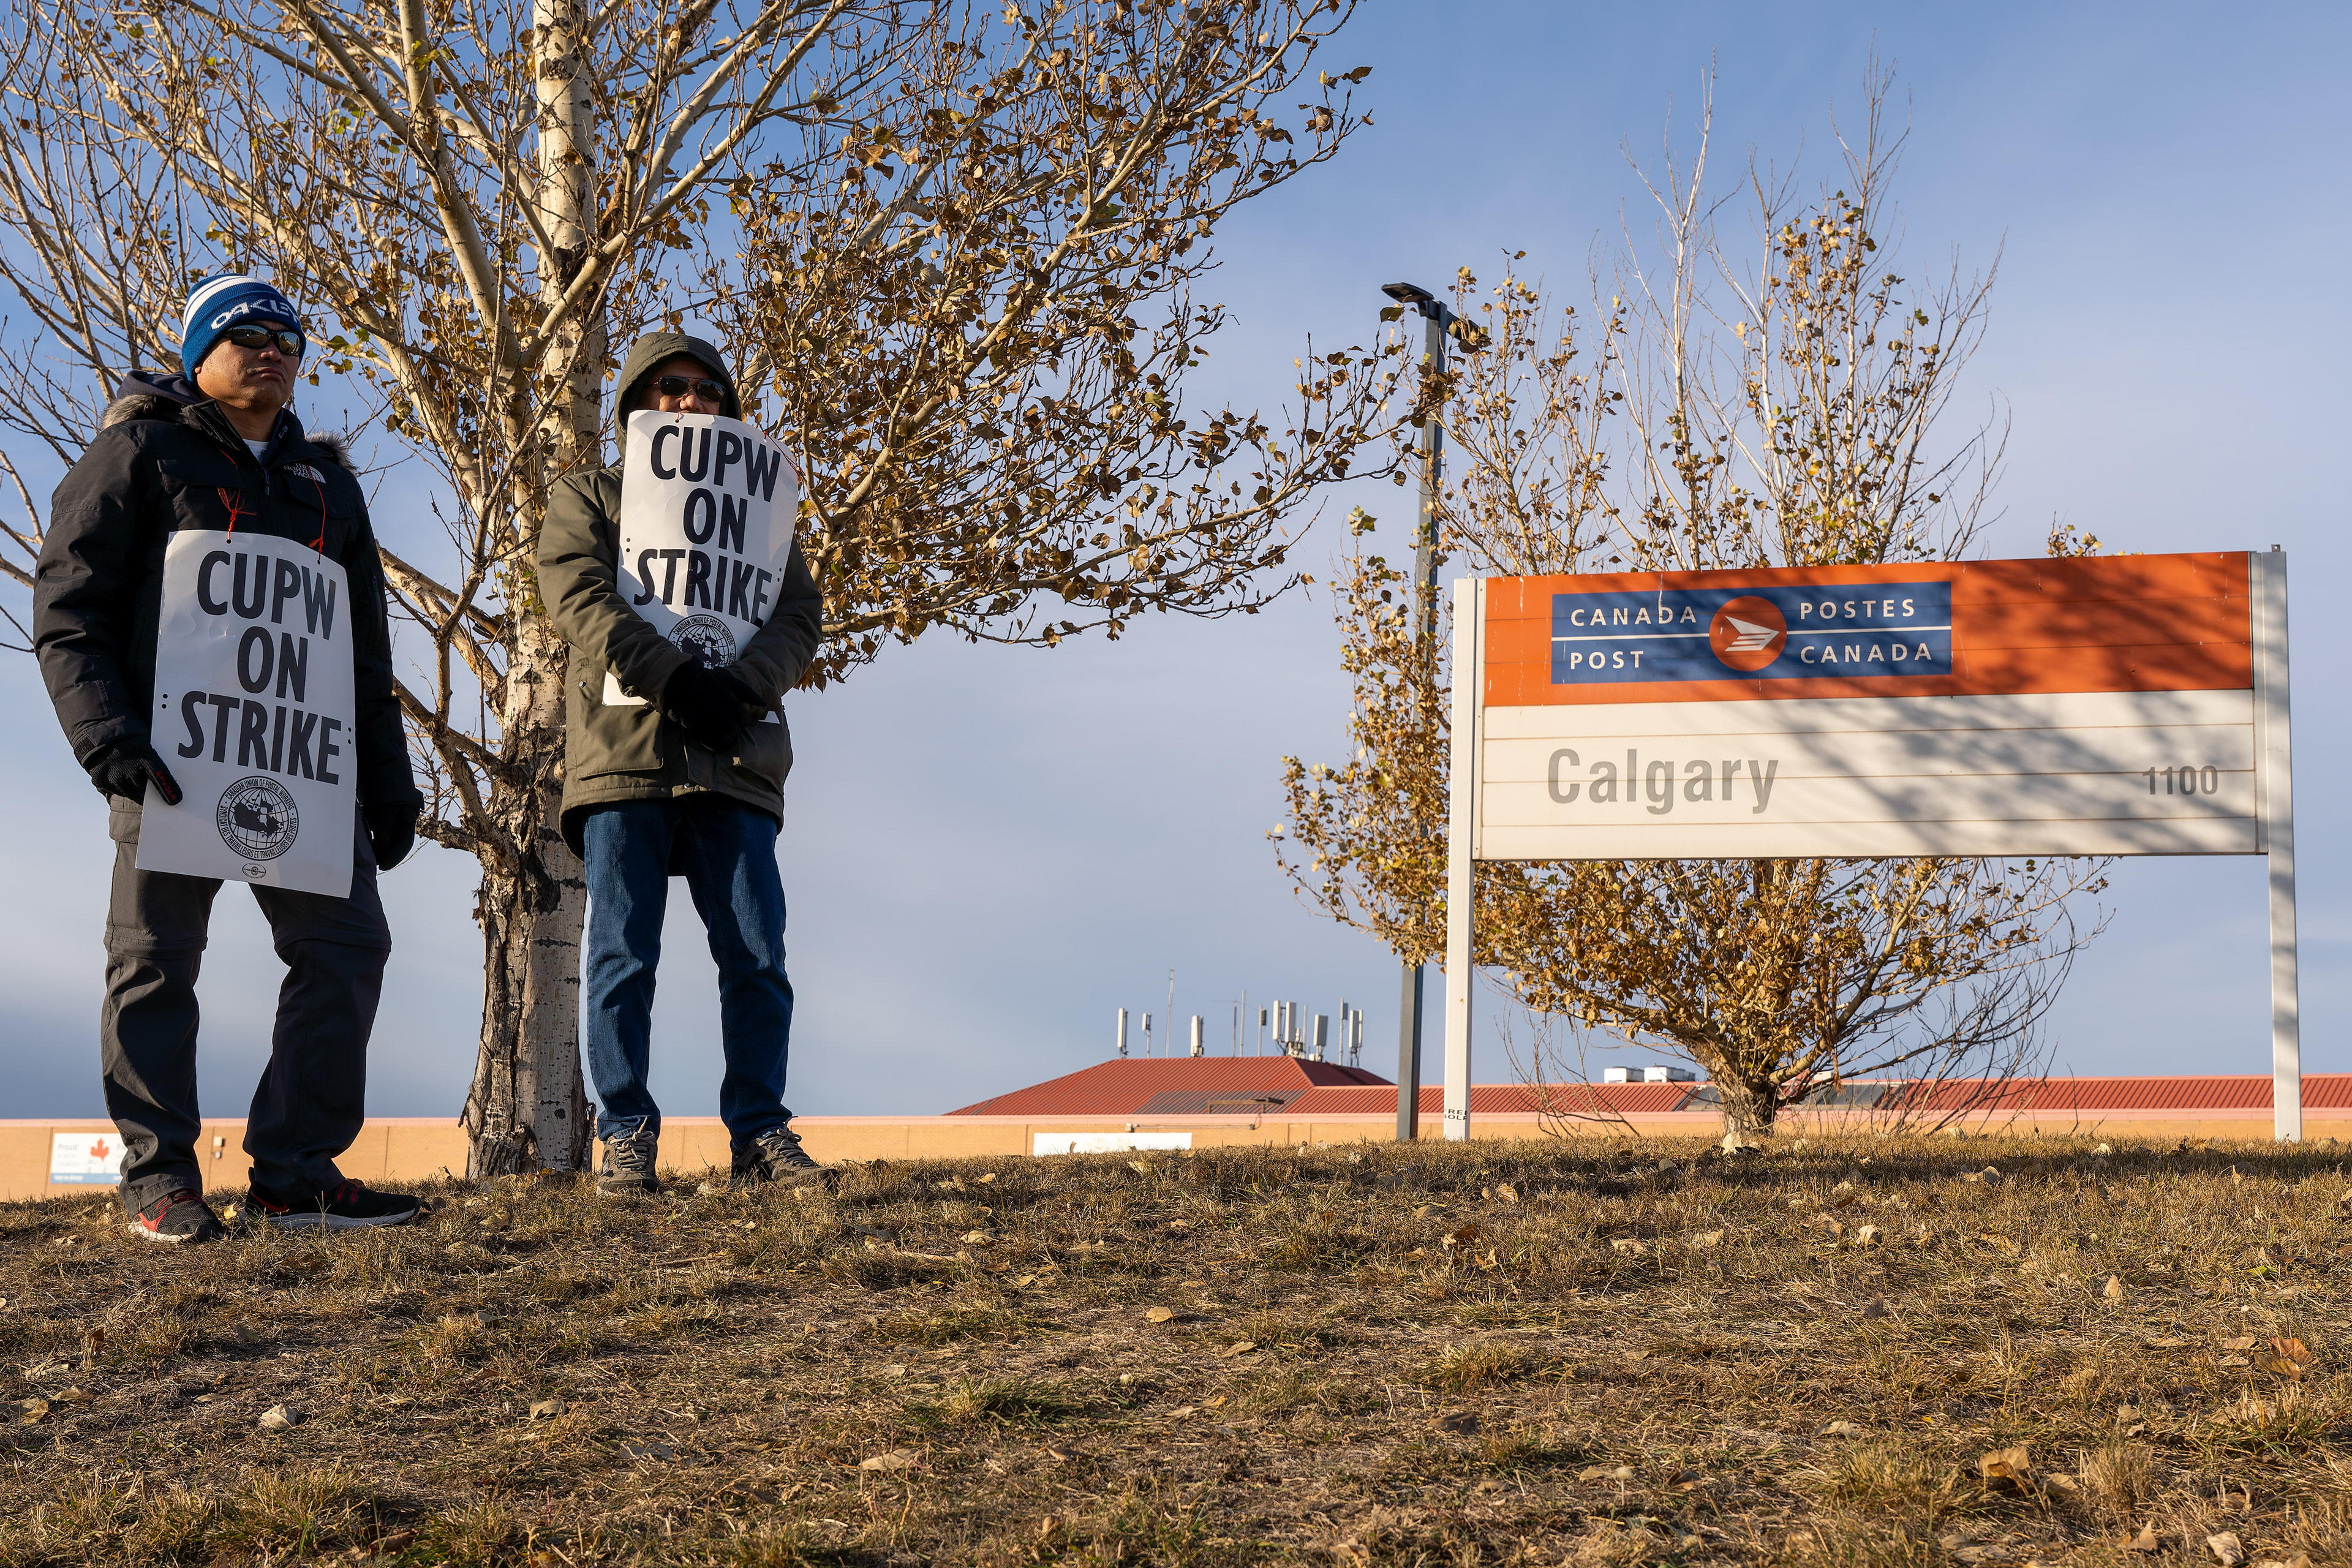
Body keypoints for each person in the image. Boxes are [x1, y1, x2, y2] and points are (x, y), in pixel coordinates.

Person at [33, 273, 426, 1242]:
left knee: (347, 948)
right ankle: (159, 1178)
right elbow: (69, 608)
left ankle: (295, 1172)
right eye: (245, 334)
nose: (271, 349)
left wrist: (388, 778)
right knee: (157, 963)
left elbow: (362, 652)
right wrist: (108, 736)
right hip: (170, 762)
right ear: (198, 353)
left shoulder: (328, 483)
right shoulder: (137, 450)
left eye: (288, 338)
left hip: (302, 768)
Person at [537, 331, 827, 1198]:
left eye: (709, 390)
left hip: (734, 759)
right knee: (623, 953)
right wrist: (670, 674)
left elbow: (799, 614)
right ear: (635, 406)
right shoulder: (589, 495)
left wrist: (740, 682)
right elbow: (577, 595)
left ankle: (761, 1134)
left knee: (757, 954)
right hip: (624, 758)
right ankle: (625, 1134)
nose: (691, 402)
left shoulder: (765, 511)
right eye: (670, 387)